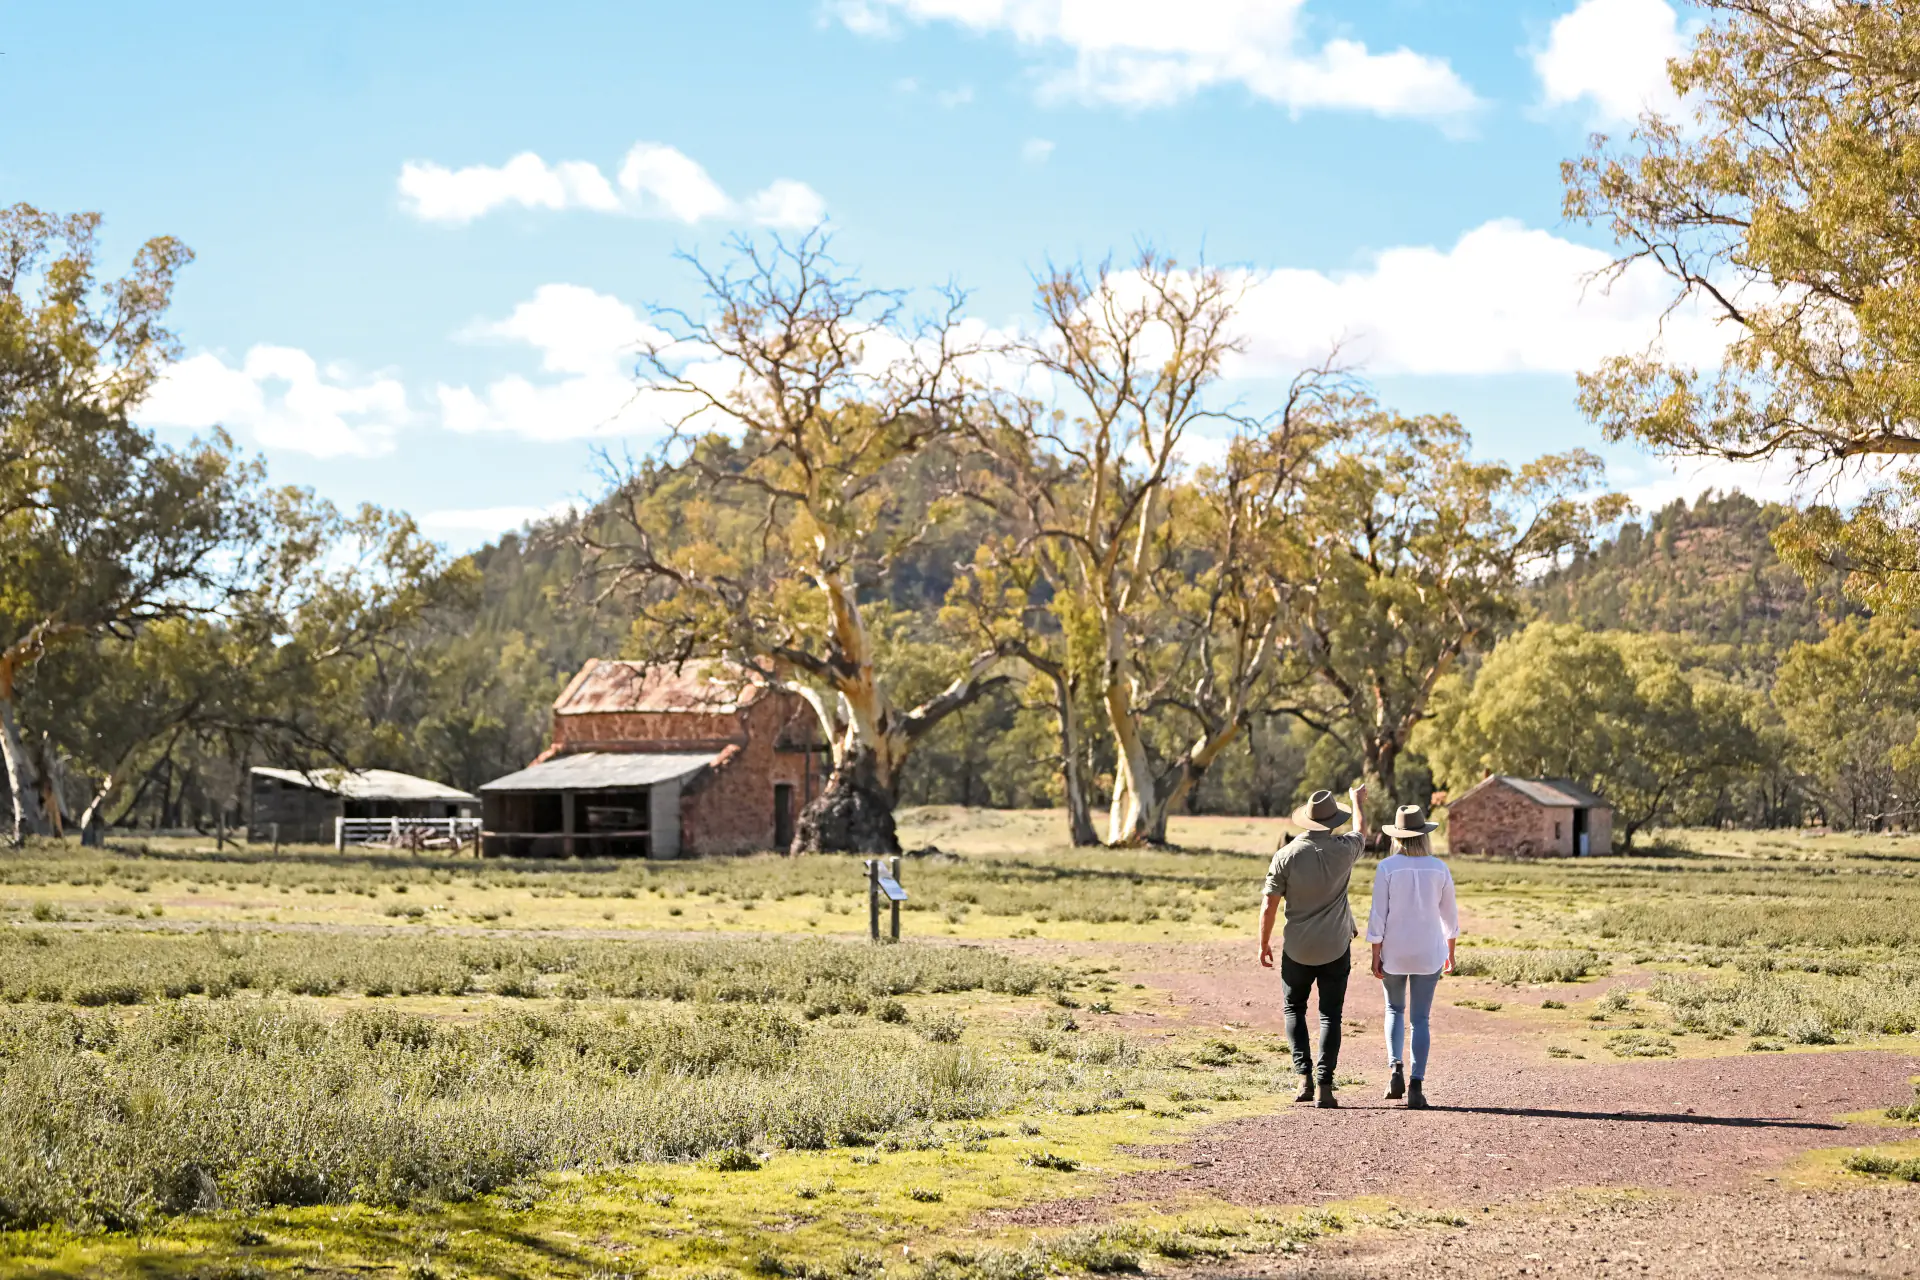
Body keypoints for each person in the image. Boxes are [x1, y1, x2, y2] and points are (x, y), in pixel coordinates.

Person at [1259, 783, 1367, 1108]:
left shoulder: (1285, 855)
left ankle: (1303, 1078)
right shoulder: (1345, 850)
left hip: (1297, 949)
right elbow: (1362, 830)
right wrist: (1358, 801)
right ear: (1333, 822)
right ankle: (1325, 1087)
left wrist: (1264, 942)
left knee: (1294, 1009)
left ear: (1305, 819)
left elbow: (1269, 905)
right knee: (1330, 1015)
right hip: (1335, 946)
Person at [1366, 804, 1459, 1111]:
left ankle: (1396, 1070)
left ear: (1397, 836)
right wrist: (1451, 952)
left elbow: (1378, 915)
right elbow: (1449, 917)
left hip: (1394, 950)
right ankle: (1416, 1085)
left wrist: (1375, 953)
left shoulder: (1387, 868)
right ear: (1424, 835)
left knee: (1394, 1009)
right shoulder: (1439, 868)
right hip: (1429, 952)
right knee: (1420, 1019)